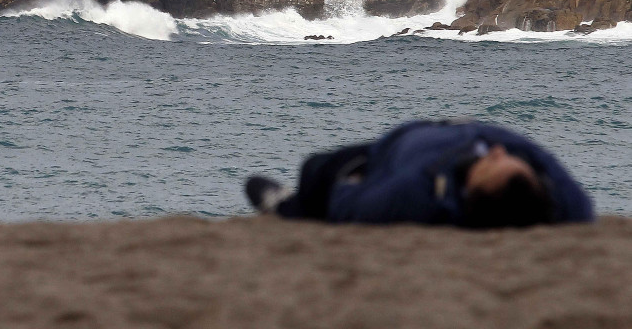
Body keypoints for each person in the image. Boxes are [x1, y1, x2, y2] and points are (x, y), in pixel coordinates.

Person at [245, 119, 594, 228]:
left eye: (493, 161)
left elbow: (351, 205)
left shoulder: (415, 194)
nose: (499, 150)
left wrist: (349, 184)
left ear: (471, 191)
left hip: (380, 159)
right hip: (429, 136)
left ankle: (287, 208)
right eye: (508, 158)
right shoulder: (552, 193)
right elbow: (579, 207)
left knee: (316, 169)